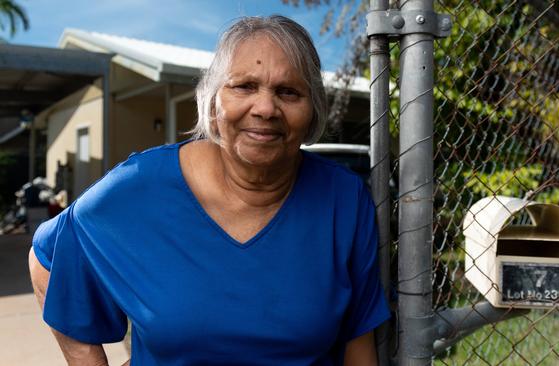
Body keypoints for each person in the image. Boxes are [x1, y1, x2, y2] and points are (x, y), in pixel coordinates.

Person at [29, 15, 390, 366]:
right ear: (213, 100)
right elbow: (46, 258)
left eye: (288, 92)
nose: (265, 108)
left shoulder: (343, 198)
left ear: (312, 110)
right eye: (244, 86)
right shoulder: (141, 186)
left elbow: (357, 346)